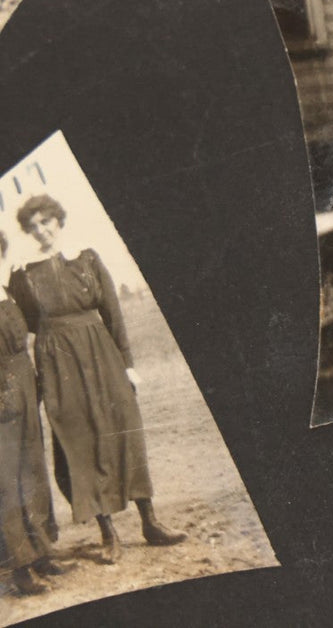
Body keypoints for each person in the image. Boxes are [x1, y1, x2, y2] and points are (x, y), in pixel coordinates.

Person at [8, 194, 186, 566]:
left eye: (46, 221)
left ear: (58, 220)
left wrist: (127, 364)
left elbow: (113, 313)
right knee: (78, 441)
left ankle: (150, 522)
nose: (41, 230)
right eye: (33, 226)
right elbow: (22, 323)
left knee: (125, 429)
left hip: (101, 351)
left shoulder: (87, 257)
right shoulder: (23, 273)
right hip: (56, 360)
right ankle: (108, 534)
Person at [0, 228, 65, 596]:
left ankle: (41, 553)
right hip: (2, 395)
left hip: (25, 385)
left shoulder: (7, 291)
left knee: (33, 470)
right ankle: (20, 569)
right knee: (7, 482)